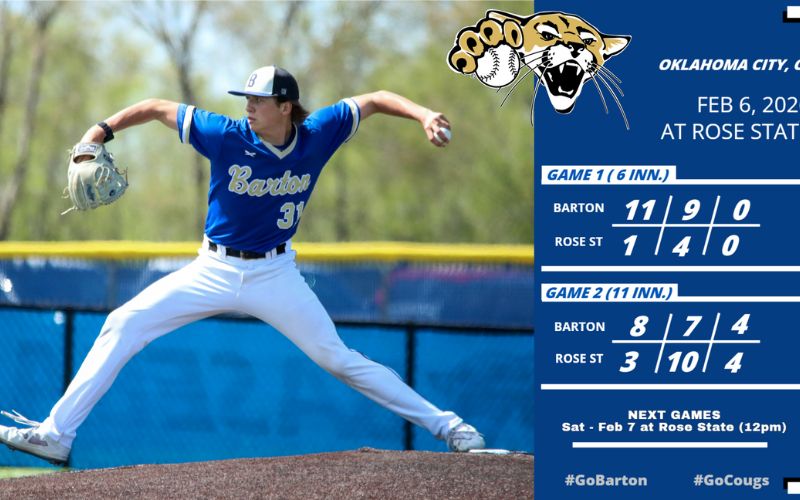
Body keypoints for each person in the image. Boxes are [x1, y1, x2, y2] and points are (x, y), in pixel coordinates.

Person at [0, 66, 485, 465]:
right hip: (211, 269)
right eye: (246, 98)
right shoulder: (226, 135)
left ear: (286, 107)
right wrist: (97, 133)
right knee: (123, 324)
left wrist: (423, 114)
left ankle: (451, 427)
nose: (248, 106)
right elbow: (156, 107)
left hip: (275, 275)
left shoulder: (319, 134)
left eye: (258, 100)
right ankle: (56, 435)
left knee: (337, 358)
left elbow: (375, 99)